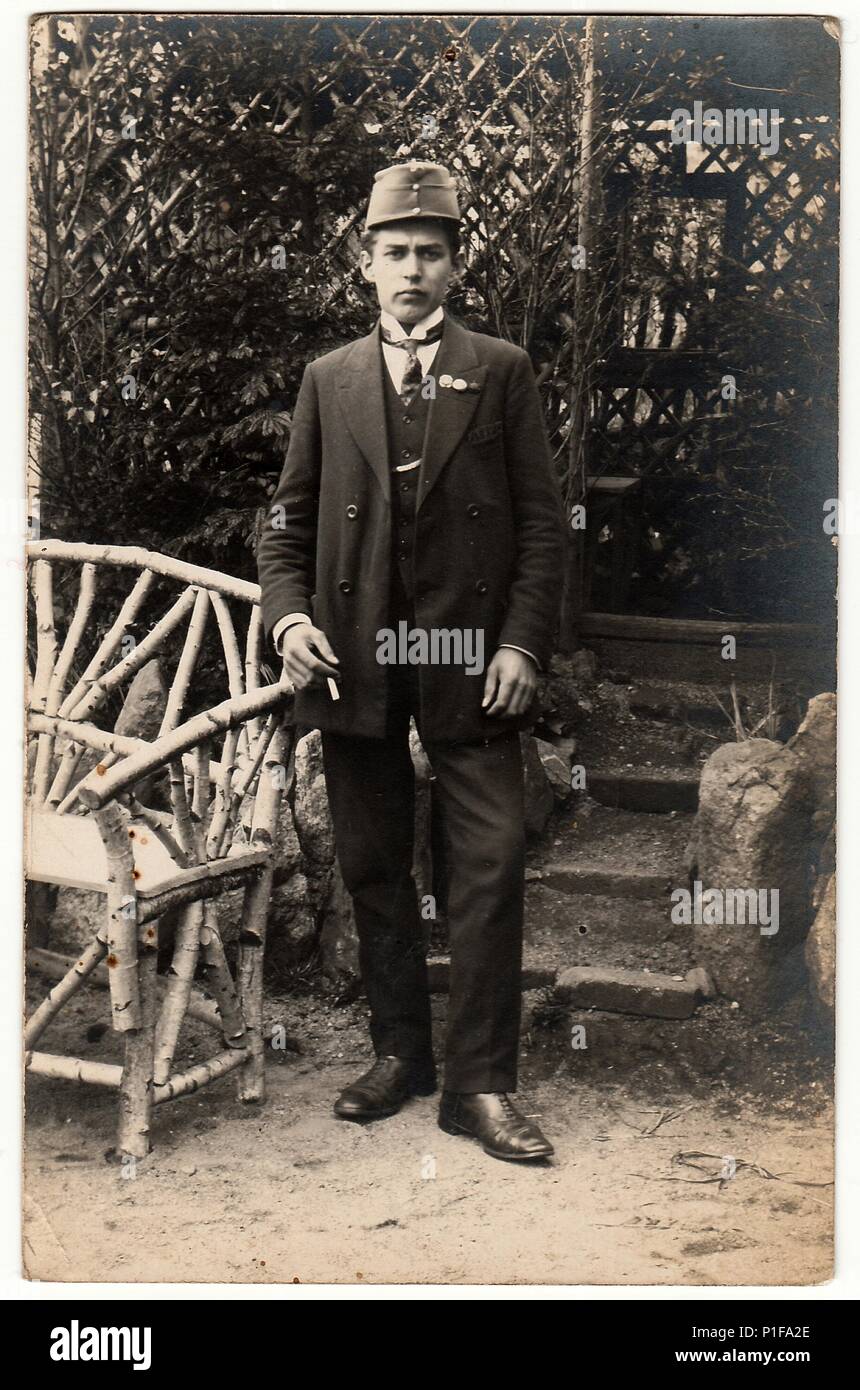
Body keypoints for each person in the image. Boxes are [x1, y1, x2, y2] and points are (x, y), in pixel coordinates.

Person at [257, 161, 565, 1161]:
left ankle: (477, 1086)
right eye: (394, 253)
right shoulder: (327, 380)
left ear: (456, 265)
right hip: (356, 659)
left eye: (431, 253)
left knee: (485, 864)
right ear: (364, 264)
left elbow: (542, 530)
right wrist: (288, 620)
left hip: (470, 660)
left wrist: (521, 640)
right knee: (375, 864)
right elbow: (284, 530)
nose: (412, 271)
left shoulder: (502, 369)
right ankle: (399, 1055)